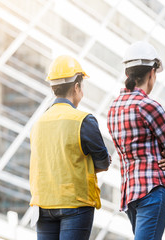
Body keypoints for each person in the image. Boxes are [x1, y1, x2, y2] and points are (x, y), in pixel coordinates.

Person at [29, 55, 111, 240]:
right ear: (76, 87)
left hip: (43, 204)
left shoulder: (38, 123)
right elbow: (103, 162)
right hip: (76, 204)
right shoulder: (83, 120)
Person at [107, 41, 165, 240]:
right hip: (152, 189)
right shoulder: (148, 106)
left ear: (127, 74)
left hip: (130, 192)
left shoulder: (113, 108)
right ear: (151, 74)